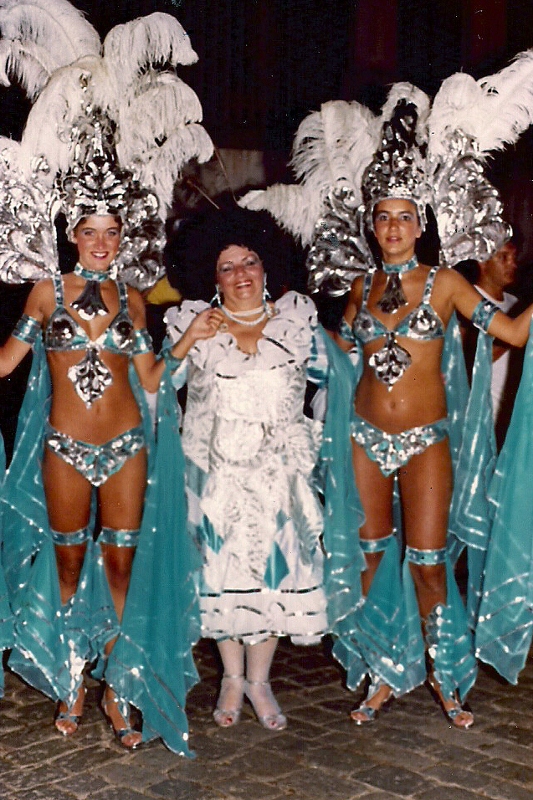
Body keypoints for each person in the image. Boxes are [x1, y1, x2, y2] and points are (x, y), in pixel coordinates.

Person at [0, 1, 214, 755]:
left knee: (121, 563)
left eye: (111, 232)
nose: (100, 242)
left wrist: (186, 342)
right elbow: (9, 362)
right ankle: (71, 680)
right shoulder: (44, 294)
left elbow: (150, 375)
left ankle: (119, 692)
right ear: (71, 234)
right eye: (88, 232)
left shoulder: (134, 297)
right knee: (67, 565)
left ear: (124, 237)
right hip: (63, 447)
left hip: (126, 446)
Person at [164, 207, 359, 731]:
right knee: (221, 573)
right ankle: (231, 678)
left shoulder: (297, 325)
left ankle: (260, 681)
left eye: (249, 261)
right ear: (213, 277)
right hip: (213, 478)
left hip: (279, 479)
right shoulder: (193, 324)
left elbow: (342, 377)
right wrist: (187, 340)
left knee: (275, 573)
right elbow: (153, 385)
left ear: (266, 266)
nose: (241, 274)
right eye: (227, 267)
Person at [459, 241, 522, 448]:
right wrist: (515, 335)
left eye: (514, 257)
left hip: (512, 416)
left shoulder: (515, 303)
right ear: (483, 262)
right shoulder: (466, 300)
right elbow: (464, 361)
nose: (513, 264)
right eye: (503, 257)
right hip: (482, 421)